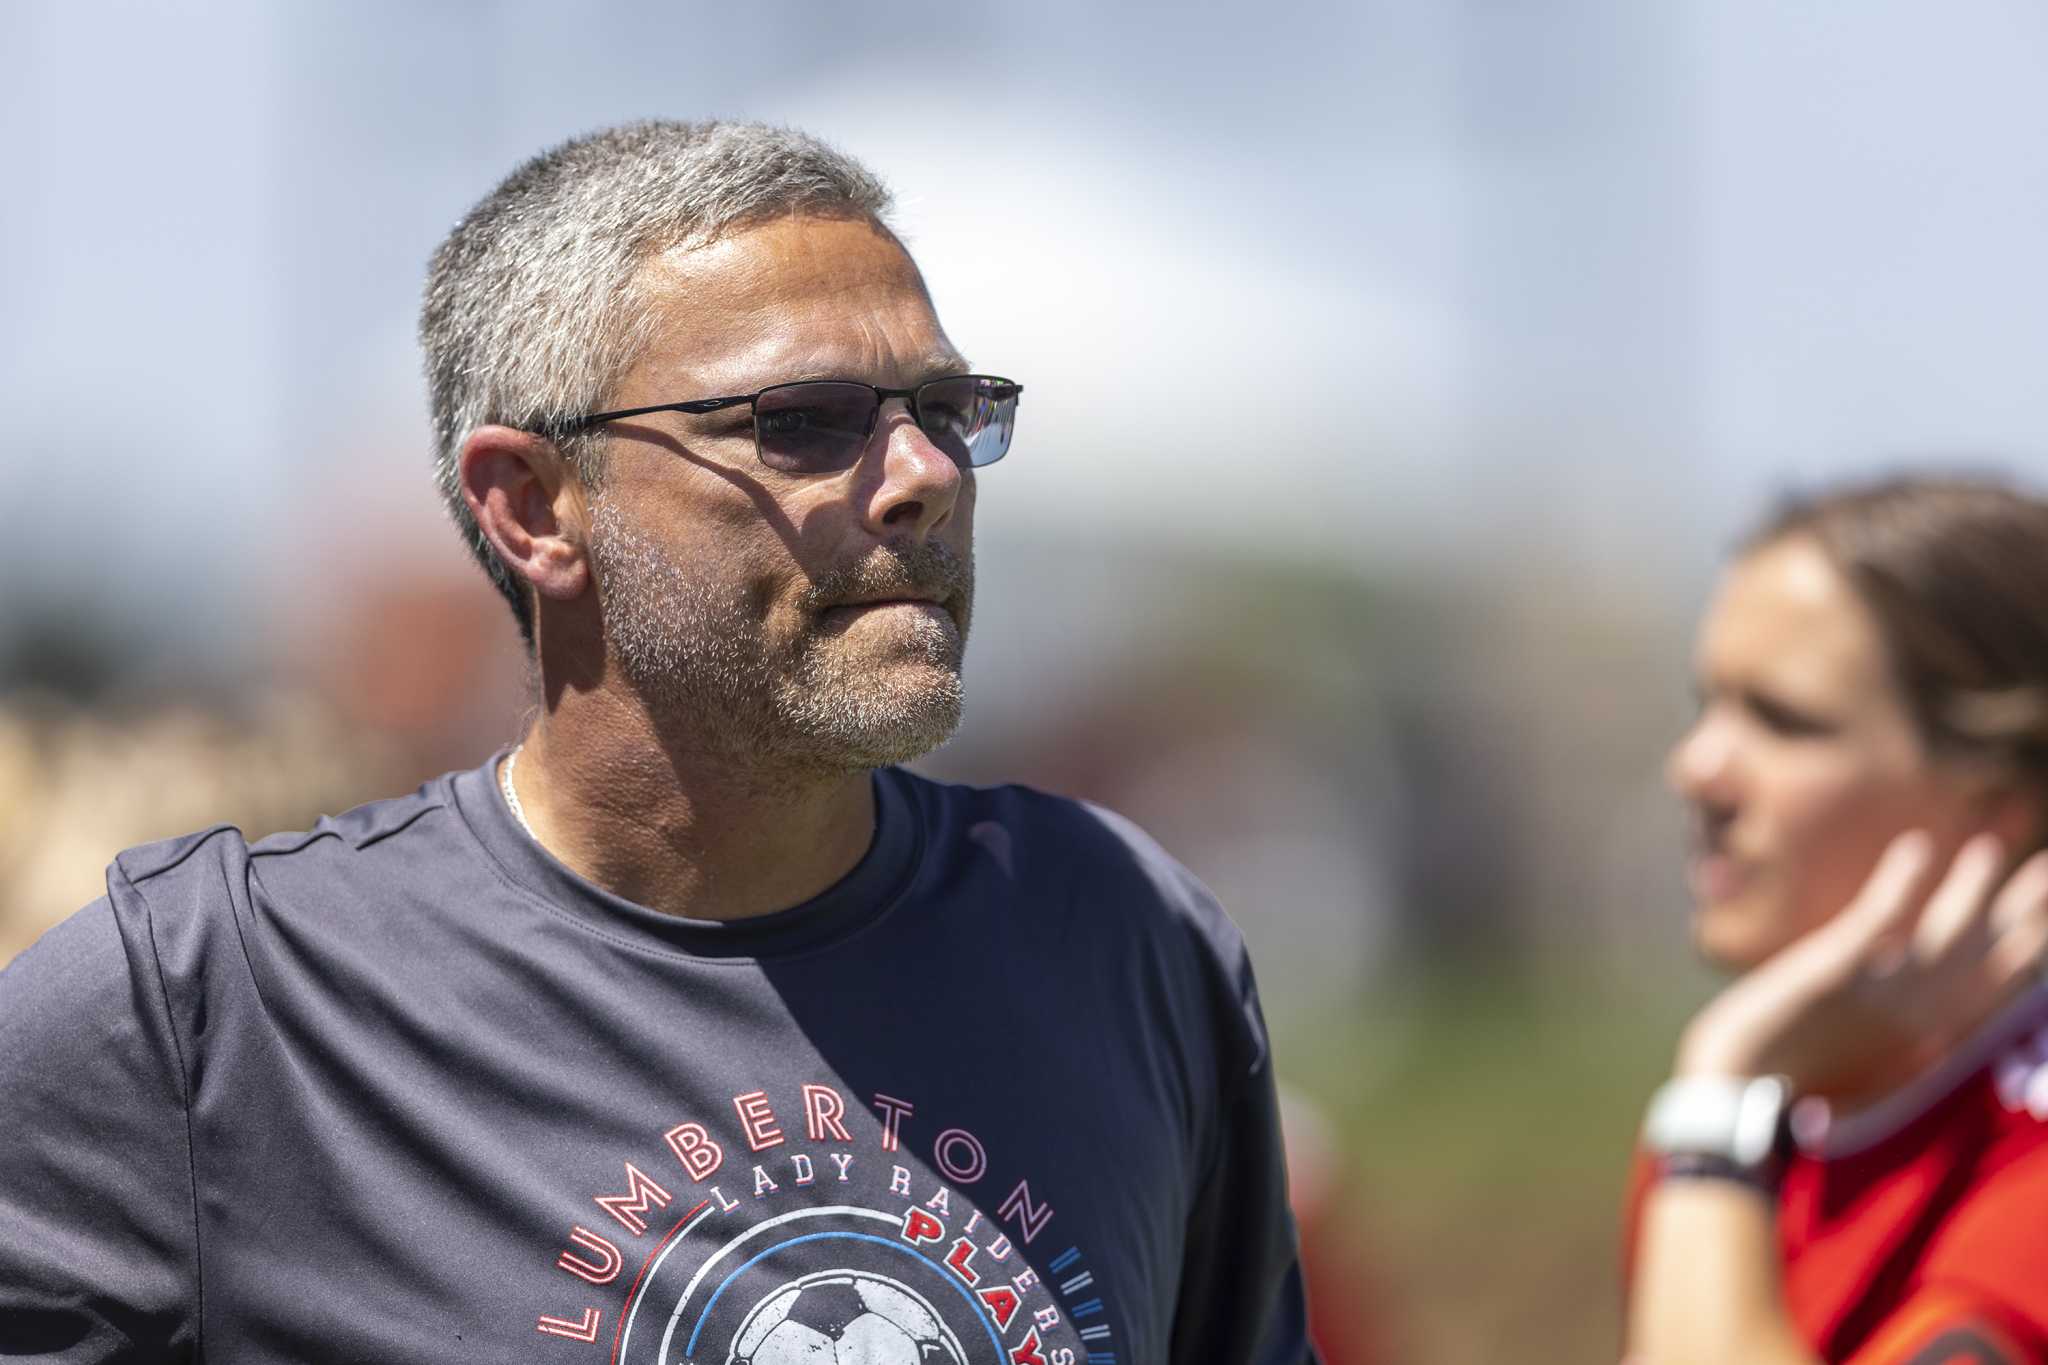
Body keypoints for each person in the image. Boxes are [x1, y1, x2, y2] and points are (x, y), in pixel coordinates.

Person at [0, 120, 1315, 1364]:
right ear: (534, 508)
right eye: (807, 419)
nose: (923, 476)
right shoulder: (212, 1002)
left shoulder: (1119, 933)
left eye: (947, 408)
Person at [1624, 476, 2048, 1364]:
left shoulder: (2025, 1166)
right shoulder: (1758, 1118)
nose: (1694, 767)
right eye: (1707, 706)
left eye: (1783, 720)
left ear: (2000, 798)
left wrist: (1714, 1110)